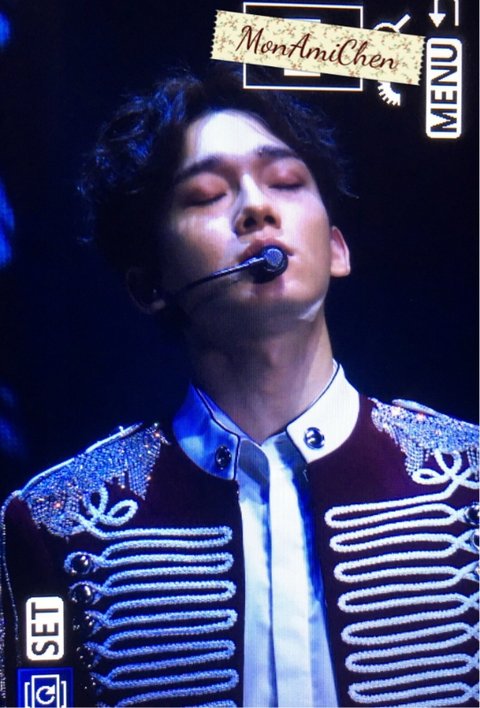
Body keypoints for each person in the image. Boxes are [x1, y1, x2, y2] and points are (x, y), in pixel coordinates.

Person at [1, 65, 478, 708]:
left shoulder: (471, 480)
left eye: (285, 182)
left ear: (337, 249)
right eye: (206, 196)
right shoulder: (52, 523)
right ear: (149, 285)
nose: (257, 207)